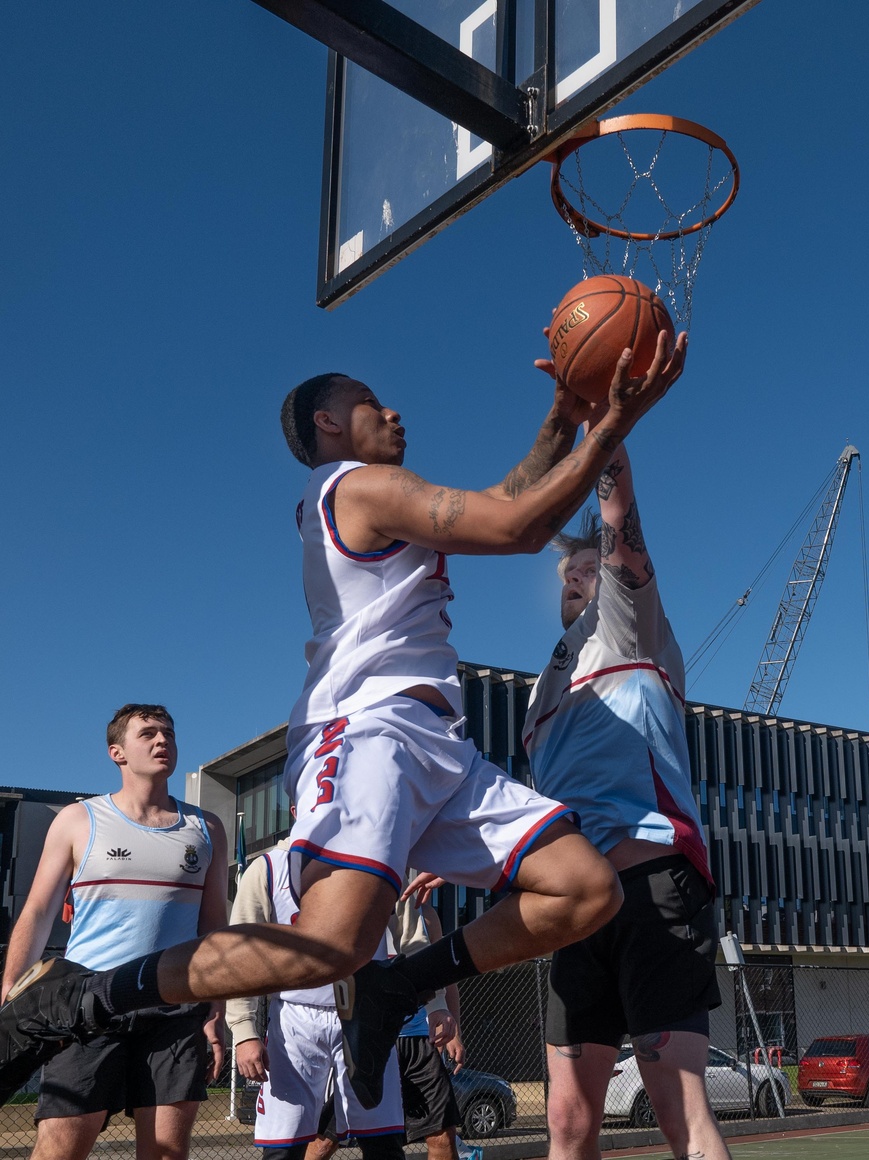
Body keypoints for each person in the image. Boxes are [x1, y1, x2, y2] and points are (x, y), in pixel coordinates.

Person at [0, 330, 687, 1117]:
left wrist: (563, 418)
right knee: (330, 945)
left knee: (585, 890)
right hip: (366, 732)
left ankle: (399, 983)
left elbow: (505, 500)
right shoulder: (355, 486)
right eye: (368, 401)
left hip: (436, 747)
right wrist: (615, 425)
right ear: (329, 424)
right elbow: (516, 527)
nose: (392, 410)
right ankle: (81, 997)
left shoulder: (374, 499)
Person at [520, 429, 730, 1160]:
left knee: (678, 1113)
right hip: (577, 912)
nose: (578, 577)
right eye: (567, 573)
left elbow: (618, 522)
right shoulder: (539, 696)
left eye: (589, 568)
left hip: (652, 884)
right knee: (569, 1126)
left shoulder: (631, 627)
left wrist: (606, 424)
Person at [0, 704, 228, 1160]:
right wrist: (10, 985)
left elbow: (213, 929)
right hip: (87, 1005)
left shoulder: (207, 829)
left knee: (166, 1153)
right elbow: (40, 909)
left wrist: (215, 1013)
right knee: (59, 1151)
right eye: (148, 733)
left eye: (168, 732)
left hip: (174, 1007)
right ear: (117, 752)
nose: (163, 740)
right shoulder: (79, 820)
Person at [226, 823, 405, 1160]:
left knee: (383, 1142)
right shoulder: (267, 867)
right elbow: (240, 955)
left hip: (367, 1015)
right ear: (296, 808)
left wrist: (436, 1002)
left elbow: (411, 935)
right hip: (295, 1016)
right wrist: (244, 1031)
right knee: (284, 1146)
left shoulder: (378, 857)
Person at [391, 893, 463, 1160]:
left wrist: (454, 1032)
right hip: (370, 1039)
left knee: (443, 1137)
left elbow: (446, 977)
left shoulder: (427, 916)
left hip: (419, 1038)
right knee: (324, 1141)